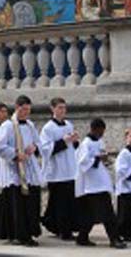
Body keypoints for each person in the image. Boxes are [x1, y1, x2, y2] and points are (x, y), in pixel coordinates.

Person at [0, 95, 42, 247]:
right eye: (24, 109)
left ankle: (30, 232)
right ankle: (20, 235)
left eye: (28, 110)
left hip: (30, 170)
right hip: (15, 172)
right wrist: (15, 154)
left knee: (32, 203)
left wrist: (35, 147)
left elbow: (39, 143)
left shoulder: (30, 125)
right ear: (17, 107)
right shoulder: (7, 126)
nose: (26, 112)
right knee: (18, 206)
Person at [75, 118, 126, 249]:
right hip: (92, 185)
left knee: (90, 214)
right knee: (108, 213)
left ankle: (82, 237)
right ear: (94, 129)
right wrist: (98, 158)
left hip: (100, 181)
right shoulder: (86, 144)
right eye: (101, 131)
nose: (102, 134)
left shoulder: (99, 141)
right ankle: (114, 239)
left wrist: (106, 159)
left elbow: (101, 156)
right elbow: (82, 162)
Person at [40, 98, 80, 240]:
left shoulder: (69, 124)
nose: (63, 110)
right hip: (56, 172)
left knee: (69, 202)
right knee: (60, 203)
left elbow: (73, 146)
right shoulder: (48, 128)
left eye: (64, 108)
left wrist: (75, 141)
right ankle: (64, 231)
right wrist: (64, 141)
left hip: (70, 169)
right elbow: (45, 150)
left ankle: (59, 226)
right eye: (60, 108)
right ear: (53, 109)